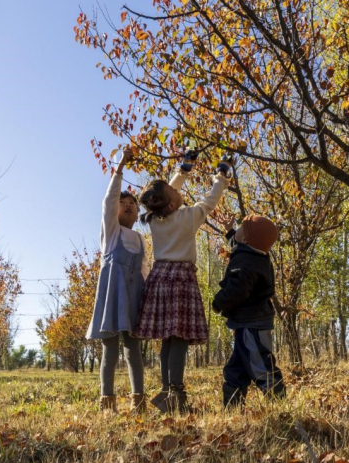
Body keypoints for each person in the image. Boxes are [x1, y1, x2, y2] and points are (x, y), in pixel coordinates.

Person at [135, 150, 232, 412]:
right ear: (169, 204)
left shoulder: (155, 219)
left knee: (168, 339)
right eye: (175, 191)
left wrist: (184, 170)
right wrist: (221, 176)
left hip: (160, 279)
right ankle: (176, 395)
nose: (179, 192)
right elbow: (210, 201)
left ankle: (168, 391)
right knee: (178, 339)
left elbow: (166, 194)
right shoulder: (188, 217)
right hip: (180, 281)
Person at [87, 146, 149, 413]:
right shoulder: (110, 234)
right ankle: (107, 403)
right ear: (114, 212)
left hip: (134, 298)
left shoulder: (140, 239)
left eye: (132, 204)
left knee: (134, 351)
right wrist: (121, 165)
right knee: (110, 350)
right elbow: (108, 199)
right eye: (122, 203)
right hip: (112, 298)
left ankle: (139, 401)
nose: (127, 205)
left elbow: (145, 270)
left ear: (137, 214)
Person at [212, 213, 286, 408]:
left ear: (245, 239)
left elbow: (237, 290)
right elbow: (240, 246)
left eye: (240, 229)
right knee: (236, 369)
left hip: (251, 324)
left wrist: (219, 302)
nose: (236, 231)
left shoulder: (245, 262)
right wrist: (230, 231)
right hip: (249, 322)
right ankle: (232, 409)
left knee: (261, 366)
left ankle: (281, 406)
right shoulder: (255, 256)